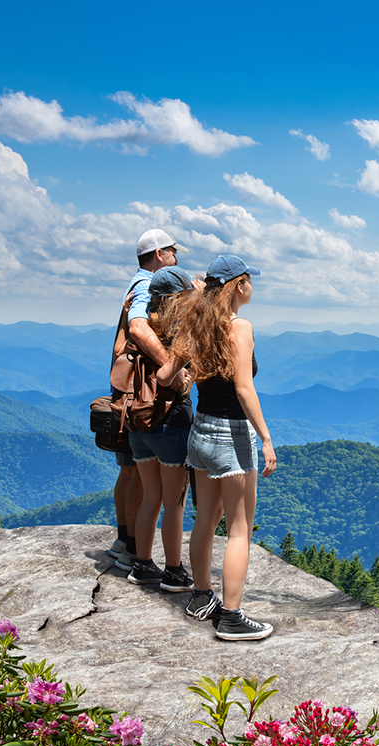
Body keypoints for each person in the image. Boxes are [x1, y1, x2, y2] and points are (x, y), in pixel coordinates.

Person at [166, 254, 277, 641]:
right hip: (232, 436)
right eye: (249, 281)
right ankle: (231, 617)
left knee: (205, 520)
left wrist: (186, 374)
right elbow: (245, 388)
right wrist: (265, 437)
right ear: (237, 285)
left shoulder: (196, 324)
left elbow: (166, 375)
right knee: (239, 530)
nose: (252, 288)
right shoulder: (239, 327)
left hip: (200, 432)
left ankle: (201, 596)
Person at [112, 229, 188, 569]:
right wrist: (172, 369)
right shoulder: (147, 286)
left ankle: (127, 545)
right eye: (172, 252)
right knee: (155, 489)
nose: (176, 257)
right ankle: (138, 554)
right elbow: (140, 329)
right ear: (159, 254)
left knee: (132, 472)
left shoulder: (134, 284)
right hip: (152, 400)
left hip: (129, 395)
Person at [124, 267, 197, 591]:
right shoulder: (179, 329)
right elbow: (181, 379)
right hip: (171, 423)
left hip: (138, 421)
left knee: (150, 499)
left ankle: (141, 565)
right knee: (174, 503)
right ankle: (173, 571)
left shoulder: (141, 325)